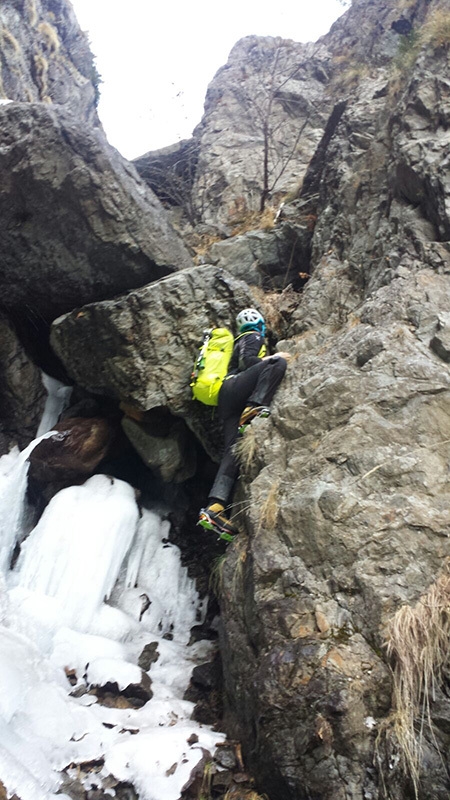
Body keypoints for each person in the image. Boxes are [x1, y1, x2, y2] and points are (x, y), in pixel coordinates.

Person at [198, 308, 290, 538]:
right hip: (235, 389)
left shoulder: (237, 341)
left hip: (226, 400)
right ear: (259, 324)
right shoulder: (253, 336)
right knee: (277, 364)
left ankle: (214, 507)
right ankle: (255, 406)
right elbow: (249, 361)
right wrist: (273, 358)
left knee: (234, 452)